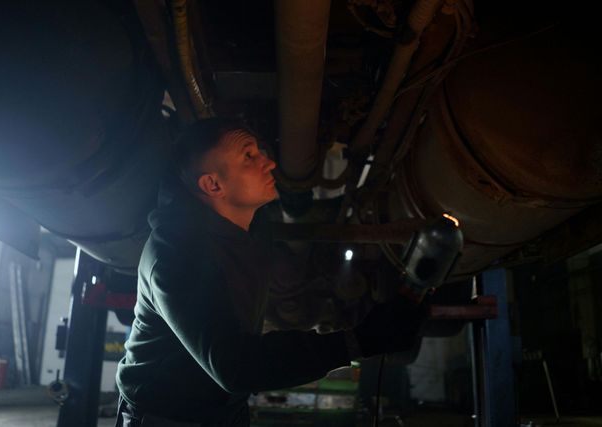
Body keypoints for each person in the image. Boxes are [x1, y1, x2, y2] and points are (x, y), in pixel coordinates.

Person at [115, 118, 425, 427]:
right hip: (165, 416)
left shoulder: (254, 229)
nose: (269, 162)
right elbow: (235, 366)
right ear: (213, 185)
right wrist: (356, 342)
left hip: (222, 411)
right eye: (249, 156)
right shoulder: (179, 253)